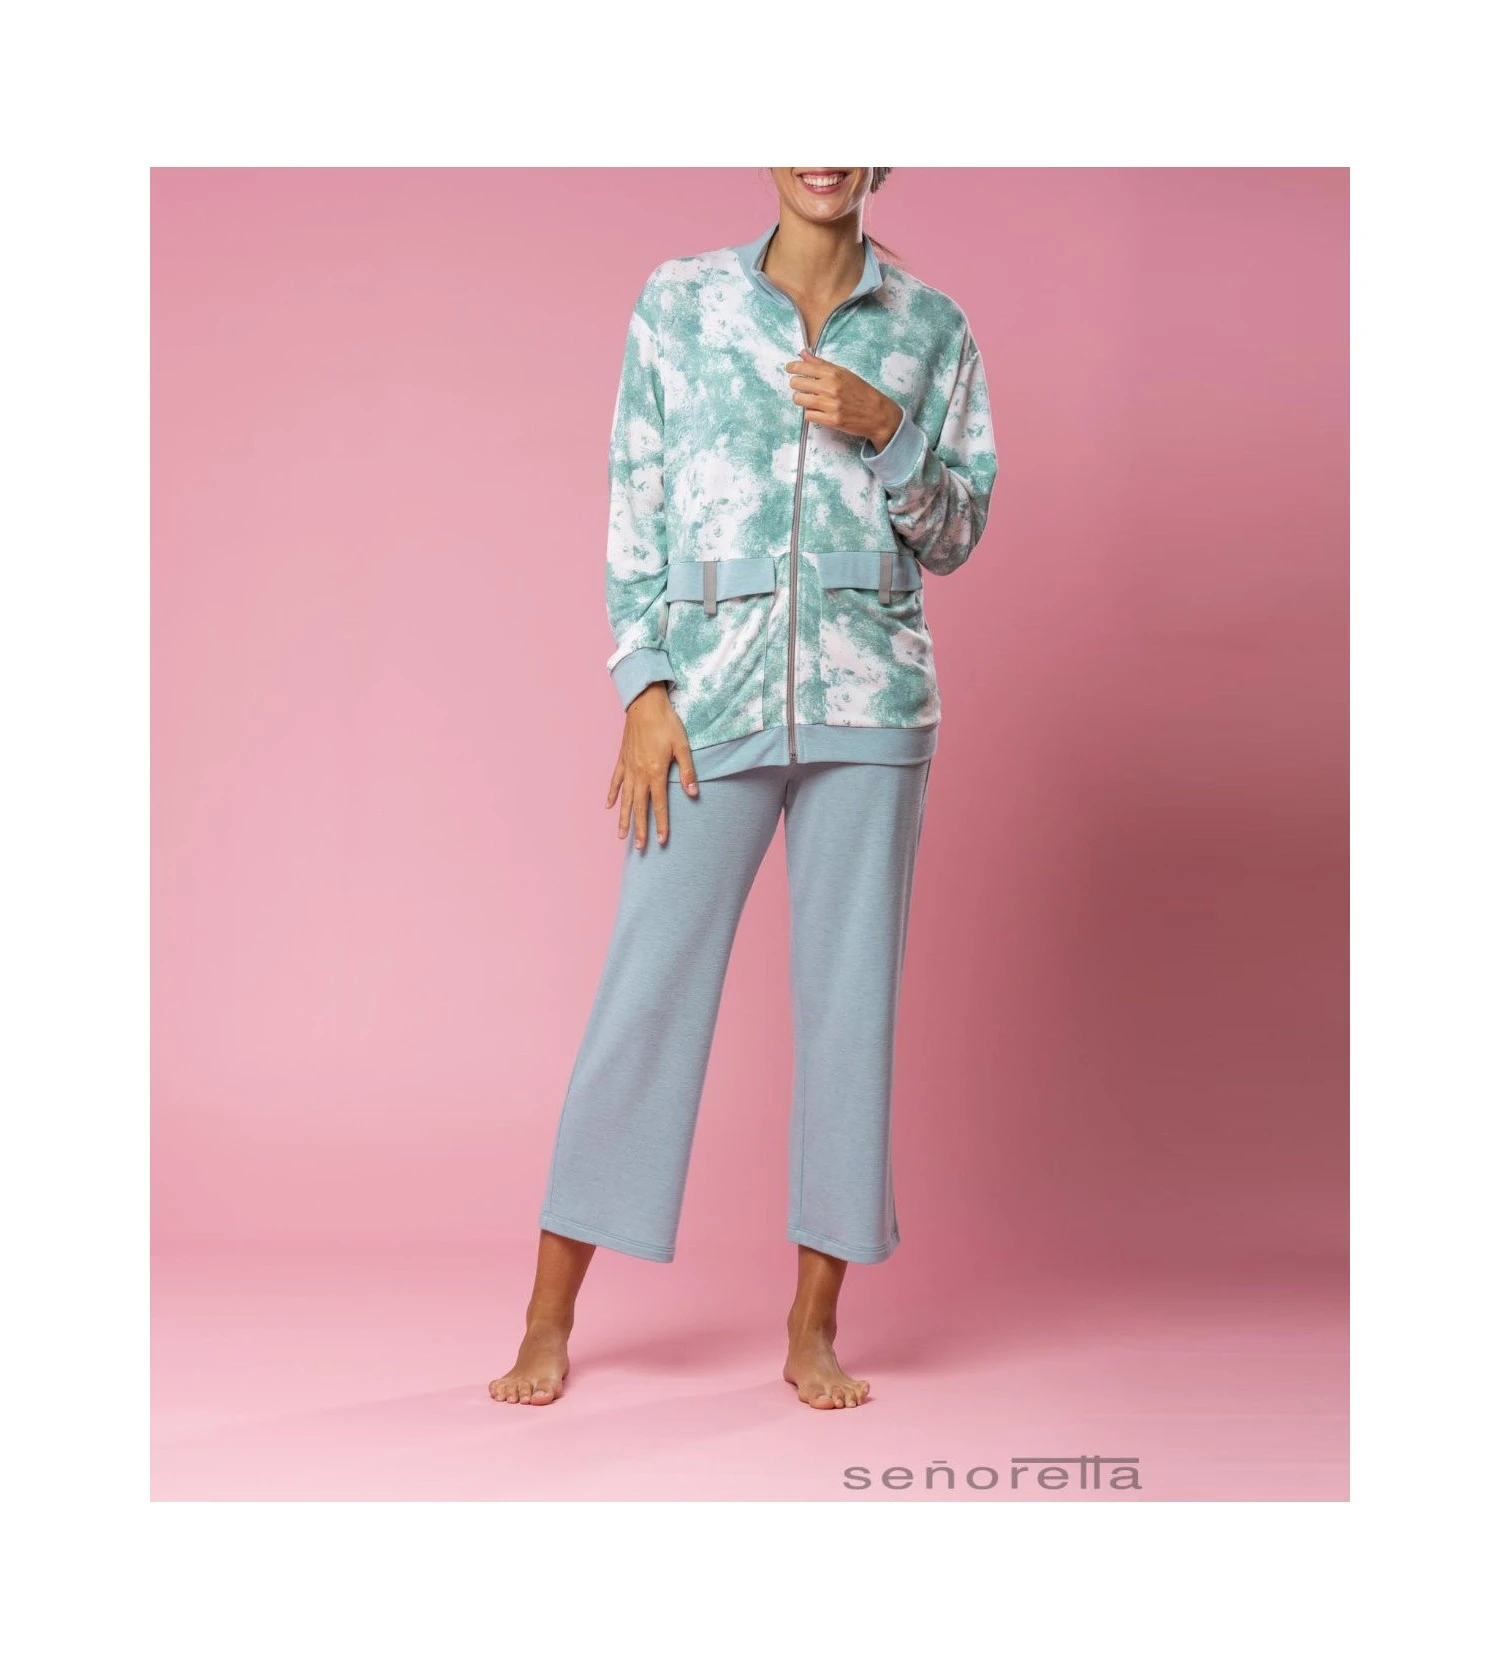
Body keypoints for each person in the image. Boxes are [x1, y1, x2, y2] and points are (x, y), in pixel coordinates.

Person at [490, 167, 997, 1411]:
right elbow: (637, 504)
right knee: (645, 998)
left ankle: (814, 1326)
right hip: (708, 704)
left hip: (874, 706)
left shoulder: (933, 327)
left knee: (850, 1016)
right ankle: (547, 1315)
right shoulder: (681, 303)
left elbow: (955, 534)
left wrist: (890, 428)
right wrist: (644, 688)